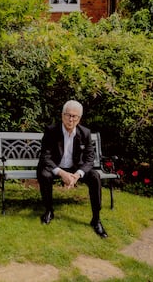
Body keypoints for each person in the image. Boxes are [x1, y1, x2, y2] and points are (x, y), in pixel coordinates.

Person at [36, 100, 108, 238]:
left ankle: (96, 219)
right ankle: (49, 211)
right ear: (62, 115)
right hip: (55, 166)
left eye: (74, 116)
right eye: (68, 115)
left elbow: (89, 158)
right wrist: (62, 173)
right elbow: (45, 157)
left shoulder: (85, 133)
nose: (71, 119)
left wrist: (76, 175)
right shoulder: (51, 131)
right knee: (44, 175)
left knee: (94, 176)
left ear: (79, 118)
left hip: (75, 168)